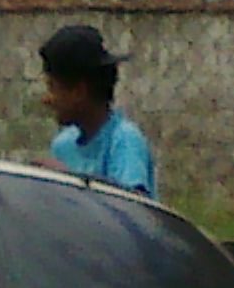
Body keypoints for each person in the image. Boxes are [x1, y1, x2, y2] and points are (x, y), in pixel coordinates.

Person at [39, 24, 155, 197]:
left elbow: (132, 207)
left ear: (79, 92)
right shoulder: (63, 145)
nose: (46, 99)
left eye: (53, 88)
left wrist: (71, 179)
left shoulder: (124, 140)